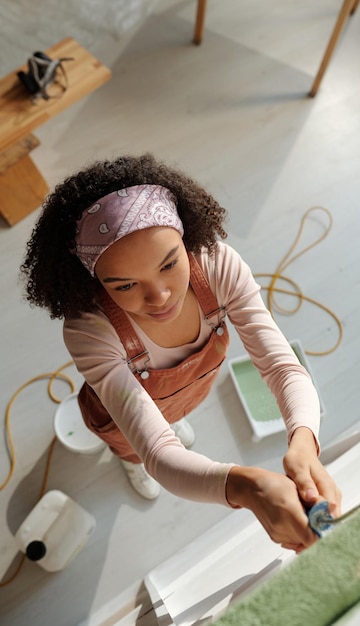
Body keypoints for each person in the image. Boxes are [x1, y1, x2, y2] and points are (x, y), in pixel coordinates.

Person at [21, 153, 341, 553]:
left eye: (170, 264)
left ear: (186, 235)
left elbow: (282, 367)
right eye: (124, 286)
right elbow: (157, 452)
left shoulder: (217, 266)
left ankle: (171, 421)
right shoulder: (91, 331)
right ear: (92, 281)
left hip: (188, 392)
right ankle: (126, 460)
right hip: (119, 418)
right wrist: (249, 486)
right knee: (134, 445)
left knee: (172, 419)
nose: (159, 296)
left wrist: (305, 441)